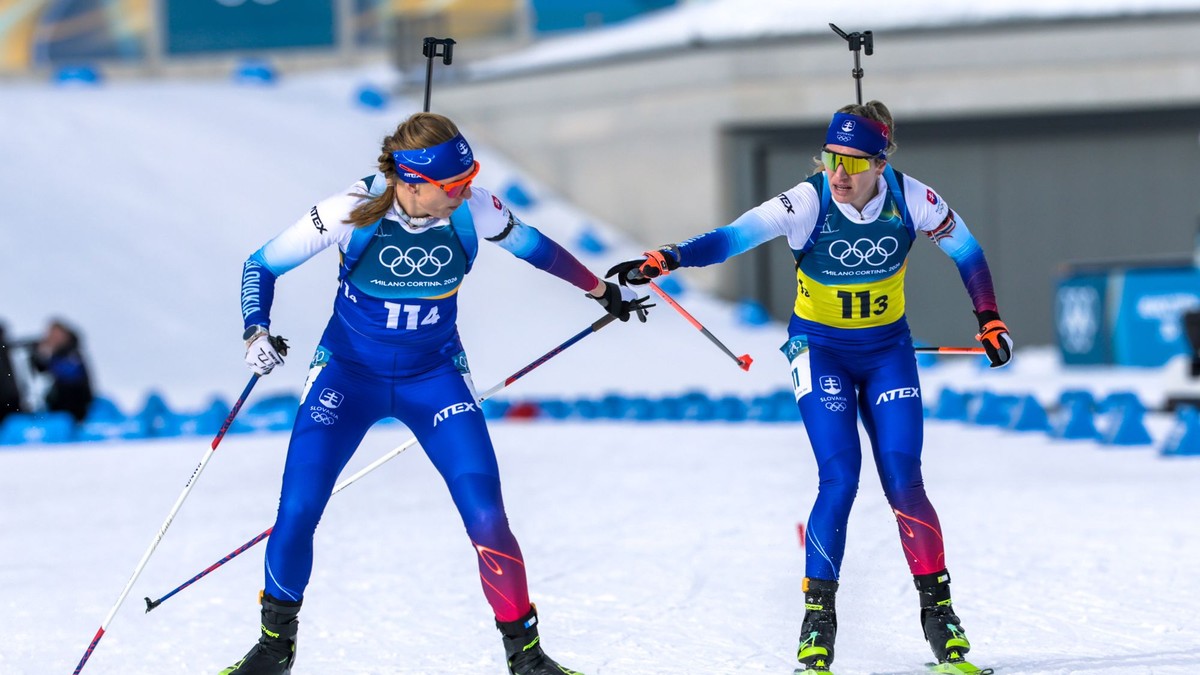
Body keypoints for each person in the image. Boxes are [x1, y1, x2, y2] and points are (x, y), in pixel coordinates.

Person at [222, 112, 649, 675]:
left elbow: (535, 247)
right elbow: (261, 264)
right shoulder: (350, 209)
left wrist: (599, 291)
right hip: (347, 376)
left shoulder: (474, 209)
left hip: (436, 377)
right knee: (298, 509)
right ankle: (272, 655)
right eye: (455, 185)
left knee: (487, 517)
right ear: (413, 182)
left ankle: (527, 660)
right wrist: (255, 329)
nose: (466, 192)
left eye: (470, 179)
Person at [607, 101, 1011, 674]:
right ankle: (817, 624)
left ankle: (939, 617)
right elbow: (731, 238)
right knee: (840, 478)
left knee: (903, 479)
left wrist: (989, 318)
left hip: (886, 352)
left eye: (851, 162)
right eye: (829, 158)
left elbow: (968, 252)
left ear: (880, 162)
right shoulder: (808, 200)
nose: (838, 174)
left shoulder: (915, 199)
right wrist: (667, 258)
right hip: (820, 352)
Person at [28, 319, 94, 424]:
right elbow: (40, 370)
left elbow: (69, 374)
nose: (53, 338)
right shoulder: (56, 354)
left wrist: (48, 357)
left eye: (56, 334)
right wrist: (39, 356)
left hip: (77, 403)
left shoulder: (72, 352)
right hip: (59, 403)